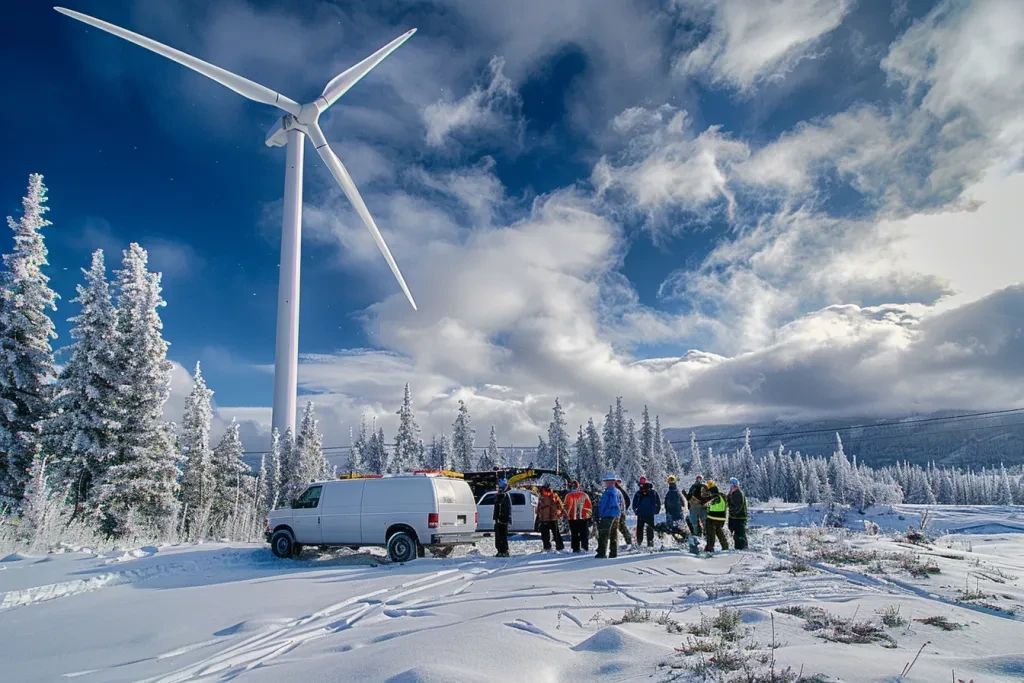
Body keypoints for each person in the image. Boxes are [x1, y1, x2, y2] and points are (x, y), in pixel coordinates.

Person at [595, 474, 623, 559]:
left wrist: (600, 515)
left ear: (610, 482)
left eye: (606, 481)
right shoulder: (618, 492)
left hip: (607, 515)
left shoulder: (608, 492)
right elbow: (622, 504)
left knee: (604, 534)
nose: (604, 483)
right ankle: (613, 552)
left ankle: (602, 553)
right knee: (614, 534)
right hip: (616, 515)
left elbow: (603, 504)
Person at [564, 480, 593, 553]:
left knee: (574, 534)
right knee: (584, 534)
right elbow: (589, 507)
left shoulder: (568, 495)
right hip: (583, 518)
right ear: (578, 486)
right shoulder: (584, 495)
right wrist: (588, 517)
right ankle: (585, 548)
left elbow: (566, 507)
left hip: (572, 518)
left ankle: (575, 548)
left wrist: (566, 516)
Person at [535, 484, 566, 551]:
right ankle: (557, 547)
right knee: (553, 534)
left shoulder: (544, 496)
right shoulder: (552, 495)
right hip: (550, 518)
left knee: (548, 534)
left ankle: (549, 547)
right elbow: (560, 506)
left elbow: (538, 507)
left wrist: (538, 512)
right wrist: (559, 513)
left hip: (547, 518)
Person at [632, 480, 661, 547]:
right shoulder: (653, 492)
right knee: (649, 529)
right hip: (649, 513)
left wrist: (636, 511)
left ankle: (639, 542)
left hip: (641, 513)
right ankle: (650, 542)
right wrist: (656, 511)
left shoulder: (639, 493)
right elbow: (658, 502)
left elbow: (634, 503)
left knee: (640, 529)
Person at [703, 480, 730, 552]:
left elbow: (708, 504)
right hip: (721, 519)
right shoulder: (722, 496)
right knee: (719, 533)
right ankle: (725, 546)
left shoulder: (713, 496)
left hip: (712, 518)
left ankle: (709, 548)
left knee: (710, 534)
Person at [726, 477, 748, 550]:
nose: (731, 487)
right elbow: (727, 502)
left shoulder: (739, 493)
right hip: (733, 517)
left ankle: (741, 548)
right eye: (731, 486)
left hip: (740, 517)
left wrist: (733, 511)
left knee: (739, 533)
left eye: (732, 486)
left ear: (736, 486)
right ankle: (737, 546)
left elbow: (739, 506)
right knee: (732, 531)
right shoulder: (731, 493)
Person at [493, 479, 512, 558]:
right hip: (498, 520)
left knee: (503, 536)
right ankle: (499, 551)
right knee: (498, 536)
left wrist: (503, 518)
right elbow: (496, 508)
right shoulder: (498, 495)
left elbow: (506, 509)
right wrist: (495, 518)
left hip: (503, 520)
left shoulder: (505, 496)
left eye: (499, 487)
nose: (497, 489)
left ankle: (504, 551)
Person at [615, 478, 633, 549]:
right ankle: (628, 542)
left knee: (621, 528)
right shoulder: (617, 490)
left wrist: (623, 509)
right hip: (618, 513)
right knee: (621, 528)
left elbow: (627, 500)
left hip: (619, 513)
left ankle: (629, 542)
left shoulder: (617, 491)